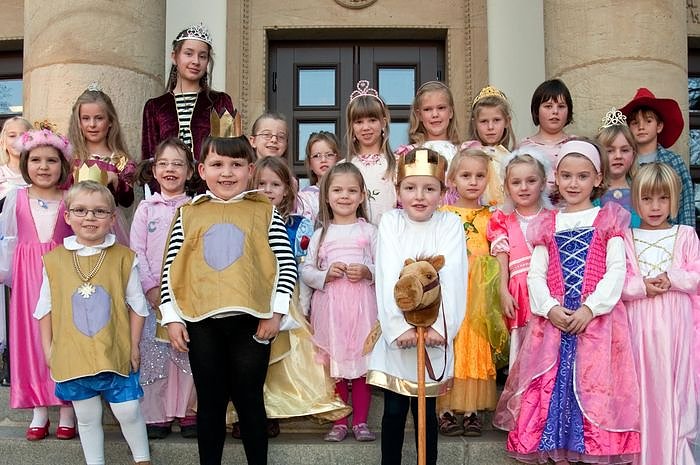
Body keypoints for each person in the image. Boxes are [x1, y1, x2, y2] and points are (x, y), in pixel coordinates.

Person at [494, 139, 641, 464]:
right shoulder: (548, 223)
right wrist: (549, 308)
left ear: (597, 178)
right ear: (556, 178)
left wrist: (590, 308)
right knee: (551, 383)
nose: (574, 183)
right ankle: (556, 447)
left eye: (582, 176)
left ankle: (590, 446)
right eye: (567, 176)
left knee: (593, 382)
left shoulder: (608, 219)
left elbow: (617, 271)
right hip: (554, 323)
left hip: (597, 324)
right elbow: (536, 275)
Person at [159, 134, 297, 465]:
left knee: (250, 400)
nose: (226, 172)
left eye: (236, 165)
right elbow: (172, 267)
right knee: (210, 402)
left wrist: (276, 312)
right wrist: (172, 317)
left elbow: (285, 263)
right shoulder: (188, 213)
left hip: (251, 321)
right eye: (217, 164)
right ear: (202, 170)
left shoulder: (264, 212)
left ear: (250, 170)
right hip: (201, 321)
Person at [230, 156, 347, 439]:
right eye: (261, 183)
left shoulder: (299, 224)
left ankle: (271, 412)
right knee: (246, 359)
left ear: (287, 190)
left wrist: (304, 308)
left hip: (286, 298)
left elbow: (302, 268)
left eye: (275, 184)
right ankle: (243, 412)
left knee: (280, 361)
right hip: (249, 297)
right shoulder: (242, 218)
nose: (268, 190)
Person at [35, 181, 150, 465]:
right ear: (67, 216)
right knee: (86, 417)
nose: (89, 217)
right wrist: (48, 349)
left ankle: (142, 459)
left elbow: (138, 306)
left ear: (112, 218)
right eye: (81, 210)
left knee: (128, 410)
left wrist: (134, 345)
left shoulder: (124, 258)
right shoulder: (54, 260)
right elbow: (45, 309)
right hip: (73, 353)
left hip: (115, 350)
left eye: (99, 211)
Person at [367, 148, 468, 465]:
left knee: (426, 411)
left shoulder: (450, 224)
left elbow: (452, 277)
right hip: (399, 339)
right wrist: (399, 328)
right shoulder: (391, 222)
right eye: (410, 188)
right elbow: (388, 274)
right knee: (394, 410)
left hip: (434, 336)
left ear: (443, 192)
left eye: (429, 188)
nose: (420, 196)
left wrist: (440, 328)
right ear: (398, 191)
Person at [0, 124, 75, 440]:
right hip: (27, 277)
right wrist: (7, 273)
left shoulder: (70, 197)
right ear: (25, 163)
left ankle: (68, 409)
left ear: (63, 165)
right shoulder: (16, 197)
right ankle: (39, 410)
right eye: (36, 160)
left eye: (51, 160)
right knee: (30, 339)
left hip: (64, 276)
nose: (43, 167)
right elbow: (7, 239)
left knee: (64, 338)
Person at [622, 162, 699, 465]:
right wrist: (641, 286)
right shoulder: (625, 237)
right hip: (637, 327)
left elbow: (696, 276)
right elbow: (617, 283)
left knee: (674, 395)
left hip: (677, 329)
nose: (655, 207)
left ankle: (674, 456)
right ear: (635, 200)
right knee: (641, 394)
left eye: (663, 198)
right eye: (647, 198)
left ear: (674, 199)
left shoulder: (686, 234)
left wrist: (672, 278)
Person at [301, 162, 378, 442]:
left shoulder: (370, 232)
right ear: (326, 196)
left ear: (362, 196)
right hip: (330, 312)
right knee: (335, 367)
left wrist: (367, 271)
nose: (344, 196)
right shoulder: (321, 234)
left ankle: (361, 422)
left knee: (360, 366)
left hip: (362, 310)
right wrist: (325, 275)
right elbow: (306, 271)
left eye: (351, 191)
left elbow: (385, 267)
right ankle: (340, 422)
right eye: (337, 190)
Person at [437, 149, 509, 437]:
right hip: (451, 289)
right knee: (450, 343)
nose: (473, 181)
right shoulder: (443, 215)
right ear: (452, 179)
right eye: (466, 175)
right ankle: (443, 409)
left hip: (479, 293)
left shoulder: (492, 216)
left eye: (480, 176)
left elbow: (500, 251)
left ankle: (471, 411)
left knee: (476, 343)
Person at [130, 138, 197, 439]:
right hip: (153, 297)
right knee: (155, 353)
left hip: (187, 295)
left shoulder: (195, 208)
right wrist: (150, 288)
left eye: (178, 164)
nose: (170, 169)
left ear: (190, 171)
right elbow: (137, 251)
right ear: (154, 170)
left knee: (186, 351)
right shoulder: (146, 209)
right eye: (164, 164)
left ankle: (189, 412)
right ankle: (156, 415)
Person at [486, 148, 554, 369]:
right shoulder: (502, 219)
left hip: (549, 290)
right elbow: (502, 260)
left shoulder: (554, 218)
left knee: (549, 350)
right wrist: (503, 291)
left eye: (531, 181)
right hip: (518, 293)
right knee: (522, 354)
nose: (523, 187)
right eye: (516, 182)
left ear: (542, 183)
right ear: (507, 187)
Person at [142, 23, 236, 164]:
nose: (196, 61)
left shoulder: (220, 101)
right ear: (175, 57)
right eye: (188, 54)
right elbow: (149, 157)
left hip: (208, 177)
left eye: (202, 56)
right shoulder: (154, 106)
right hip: (168, 176)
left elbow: (231, 150)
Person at [68, 84, 136, 244]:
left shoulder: (120, 160)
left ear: (110, 121)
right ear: (78, 122)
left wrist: (116, 180)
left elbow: (127, 201)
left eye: (99, 118)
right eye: (86, 118)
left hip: (109, 228)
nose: (92, 124)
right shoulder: (70, 157)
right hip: (73, 226)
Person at [620, 87, 695, 227]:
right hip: (632, 233)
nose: (641, 127)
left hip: (669, 234)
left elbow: (686, 203)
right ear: (629, 128)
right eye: (635, 123)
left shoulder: (674, 162)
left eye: (648, 121)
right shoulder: (624, 162)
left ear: (659, 126)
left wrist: (687, 234)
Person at [454, 85, 517, 206]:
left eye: (496, 120)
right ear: (475, 123)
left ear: (507, 121)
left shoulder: (512, 159)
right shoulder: (465, 156)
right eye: (484, 121)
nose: (490, 127)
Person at [345, 80, 396, 225]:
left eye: (372, 120)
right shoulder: (344, 167)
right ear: (351, 127)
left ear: (383, 123)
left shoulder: (398, 164)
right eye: (359, 122)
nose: (366, 127)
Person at [519, 79, 575, 192]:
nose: (555, 111)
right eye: (548, 106)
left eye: (561, 106)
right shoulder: (522, 147)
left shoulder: (577, 145)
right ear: (536, 110)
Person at [394, 80, 461, 166]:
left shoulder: (463, 152)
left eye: (441, 108)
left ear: (451, 112)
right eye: (427, 109)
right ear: (419, 115)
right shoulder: (406, 155)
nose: (435, 114)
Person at [595, 107, 641, 227]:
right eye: (610, 151)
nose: (618, 156)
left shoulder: (641, 190)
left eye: (625, 150)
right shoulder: (592, 192)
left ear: (633, 155)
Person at [296, 131, 340, 223]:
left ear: (338, 159)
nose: (323, 160)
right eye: (316, 156)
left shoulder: (345, 192)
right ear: (310, 164)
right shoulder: (304, 197)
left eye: (329, 155)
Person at [0, 117, 31, 199]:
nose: (18, 140)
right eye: (12, 136)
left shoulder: (40, 172)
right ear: (3, 142)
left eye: (23, 135)